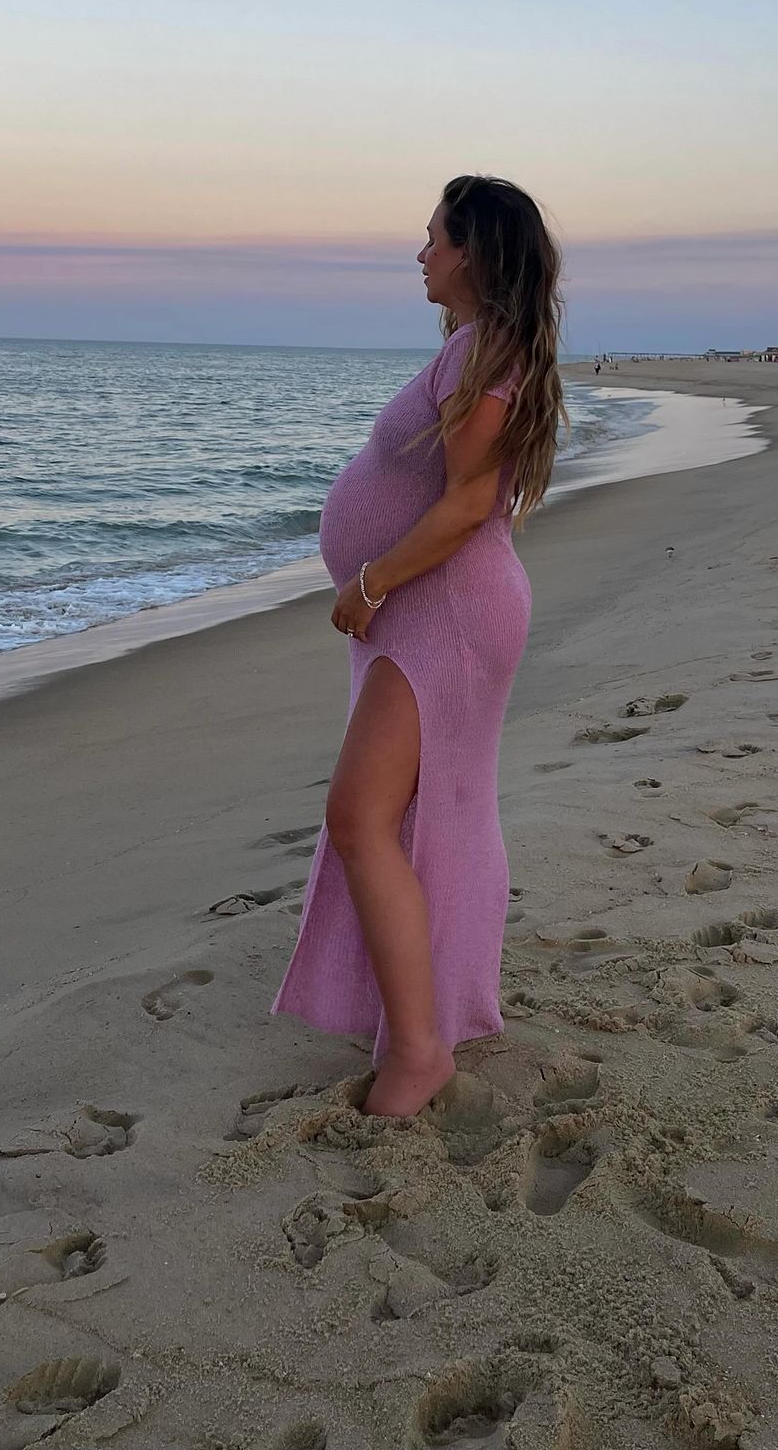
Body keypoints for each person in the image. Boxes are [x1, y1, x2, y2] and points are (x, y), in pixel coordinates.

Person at [271, 175, 567, 1116]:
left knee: (363, 817)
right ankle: (417, 1021)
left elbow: (470, 502)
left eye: (434, 237)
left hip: (443, 609)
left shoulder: (487, 349)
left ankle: (419, 1051)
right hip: (428, 607)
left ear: (472, 251)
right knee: (421, 814)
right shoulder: (476, 346)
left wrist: (370, 582)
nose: (421, 252)